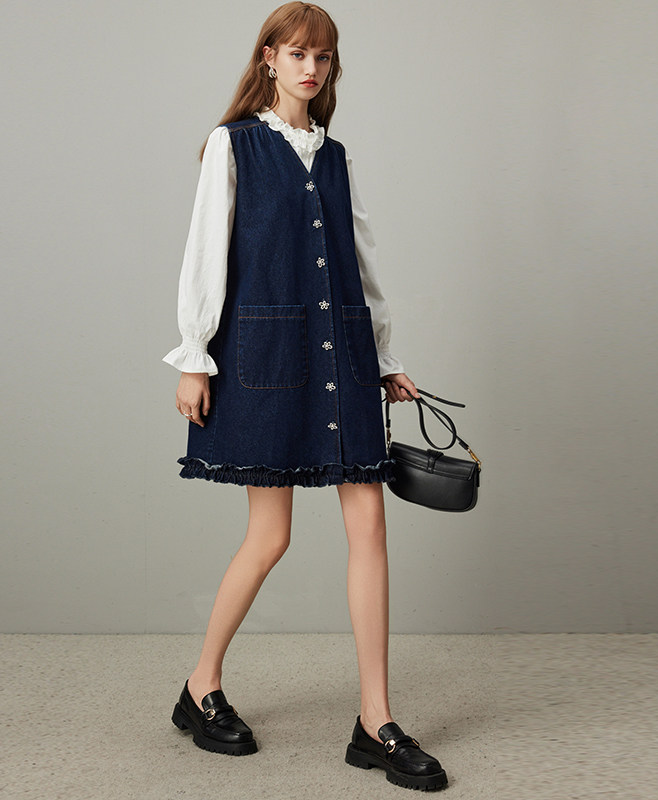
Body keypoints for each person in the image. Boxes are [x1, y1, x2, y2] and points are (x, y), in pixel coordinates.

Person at [163, 2, 448, 791]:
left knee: (370, 526)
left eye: (322, 56)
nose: (311, 68)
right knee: (270, 537)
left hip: (345, 356)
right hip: (267, 358)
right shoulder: (235, 144)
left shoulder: (336, 155)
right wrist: (194, 357)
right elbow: (205, 252)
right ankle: (200, 685)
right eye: (296, 54)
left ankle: (375, 720)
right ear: (269, 58)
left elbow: (360, 261)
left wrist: (385, 357)